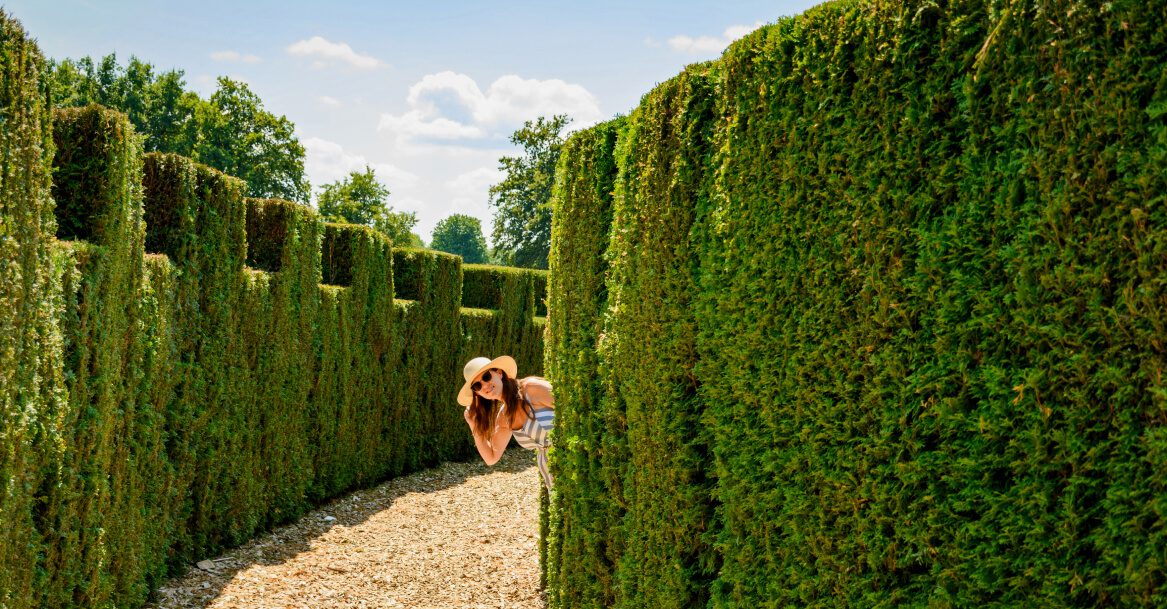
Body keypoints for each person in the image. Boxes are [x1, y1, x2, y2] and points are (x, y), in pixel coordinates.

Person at [458, 355, 554, 491]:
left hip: (577, 460)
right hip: (551, 475)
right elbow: (491, 457)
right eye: (477, 385)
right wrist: (473, 425)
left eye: (486, 377)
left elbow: (573, 407)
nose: (485, 385)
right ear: (477, 393)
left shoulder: (531, 388)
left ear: (499, 372)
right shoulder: (504, 417)